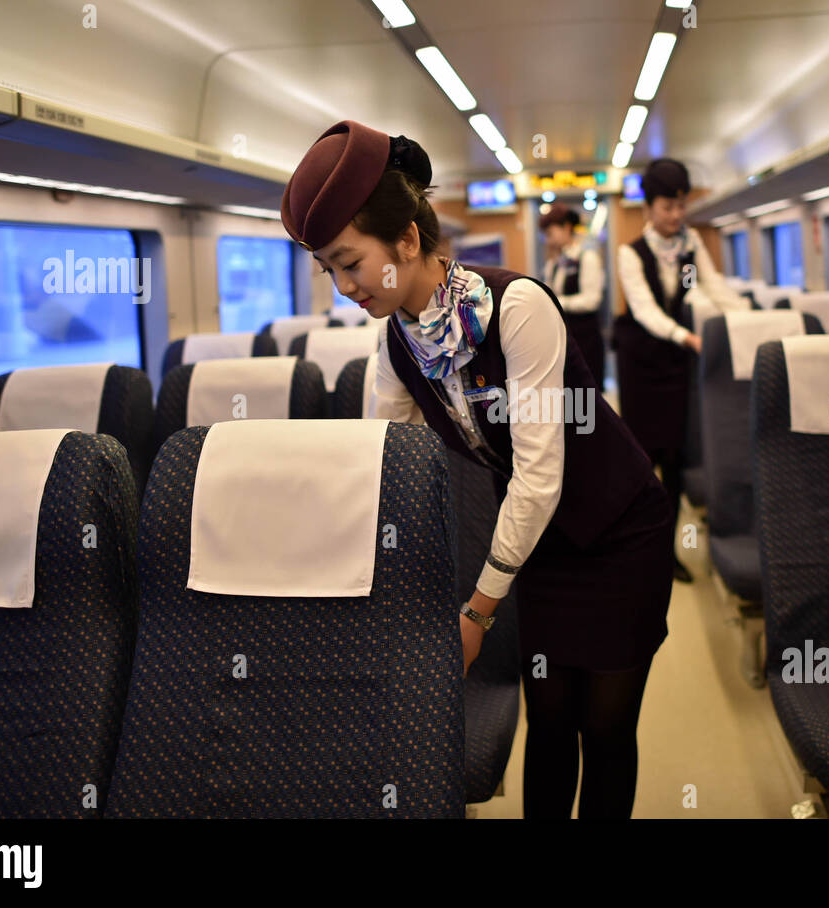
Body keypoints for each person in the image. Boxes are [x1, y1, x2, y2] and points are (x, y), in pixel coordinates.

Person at [280, 120, 674, 819]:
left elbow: (539, 476)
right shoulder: (397, 345)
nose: (342, 287)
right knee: (551, 716)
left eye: (349, 262)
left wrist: (476, 612)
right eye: (328, 271)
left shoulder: (517, 307)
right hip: (540, 545)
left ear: (406, 239)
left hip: (620, 529)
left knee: (607, 725)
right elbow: (382, 469)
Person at [615, 158, 747, 583]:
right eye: (667, 207)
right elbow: (645, 310)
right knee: (641, 462)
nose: (676, 216)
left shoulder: (690, 247)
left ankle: (667, 553)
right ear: (648, 208)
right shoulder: (630, 254)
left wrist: (749, 319)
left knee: (675, 459)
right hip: (642, 364)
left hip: (675, 369)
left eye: (681, 206)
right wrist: (685, 337)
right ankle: (634, 548)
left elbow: (716, 288)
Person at [540, 202, 606, 389]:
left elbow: (591, 300)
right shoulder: (553, 264)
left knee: (588, 397)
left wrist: (554, 302)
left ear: (566, 228)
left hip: (586, 339)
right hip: (563, 339)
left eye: (550, 233)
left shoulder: (587, 258)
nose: (548, 239)